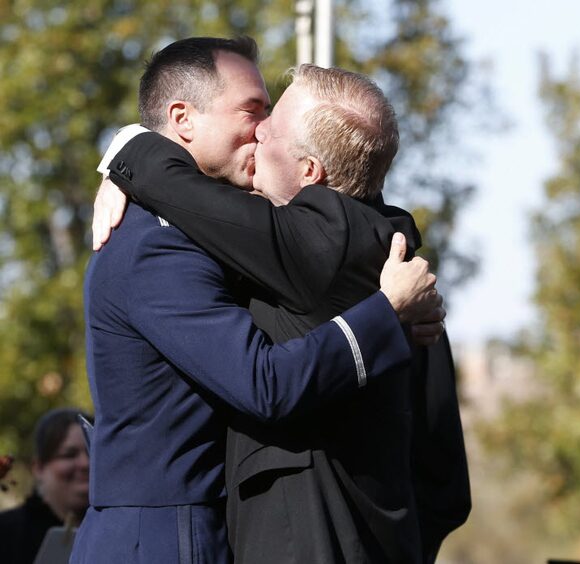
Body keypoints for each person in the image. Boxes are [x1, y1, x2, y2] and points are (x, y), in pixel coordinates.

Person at [72, 37, 443, 564]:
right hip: (160, 539)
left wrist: (127, 158)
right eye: (252, 110)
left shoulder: (266, 235)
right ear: (183, 119)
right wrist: (126, 157)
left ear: (311, 169)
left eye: (271, 114)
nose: (262, 128)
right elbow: (264, 383)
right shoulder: (157, 244)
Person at [0, 408, 91, 564]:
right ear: (39, 468)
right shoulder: (5, 533)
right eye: (69, 455)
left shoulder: (119, 530)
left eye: (92, 453)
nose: (86, 464)